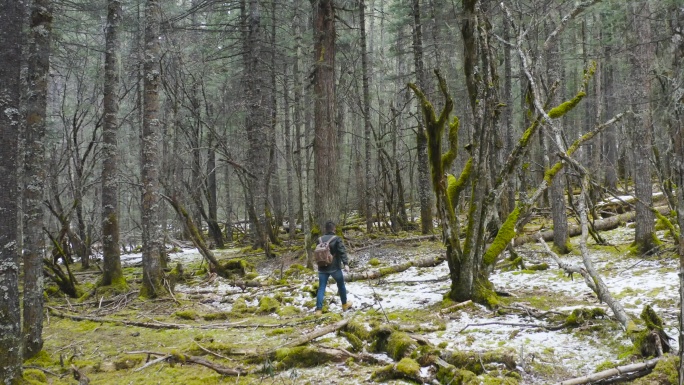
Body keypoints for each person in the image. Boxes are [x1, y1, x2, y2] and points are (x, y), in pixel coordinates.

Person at [315, 221, 352, 315]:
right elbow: (342, 251)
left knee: (321, 288)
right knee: (341, 285)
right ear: (334, 229)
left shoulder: (319, 239)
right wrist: (346, 264)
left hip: (322, 267)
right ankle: (344, 305)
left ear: (325, 229)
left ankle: (318, 310)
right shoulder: (337, 239)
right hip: (334, 267)